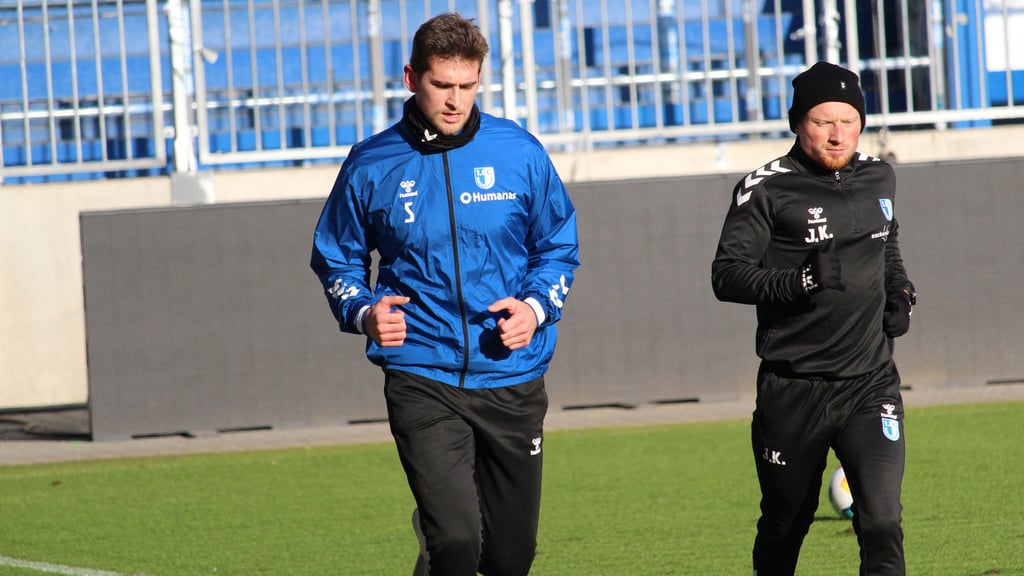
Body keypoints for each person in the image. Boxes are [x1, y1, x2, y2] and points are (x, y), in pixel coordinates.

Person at [310, 13, 579, 576]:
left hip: (511, 373)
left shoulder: (519, 151)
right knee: (456, 542)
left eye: (468, 85)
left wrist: (534, 309)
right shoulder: (371, 162)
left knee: (510, 557)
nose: (455, 101)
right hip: (421, 373)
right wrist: (363, 311)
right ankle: (439, 540)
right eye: (441, 85)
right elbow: (337, 258)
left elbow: (557, 248)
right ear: (412, 78)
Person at [711, 61, 916, 576]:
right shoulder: (764, 188)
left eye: (848, 121)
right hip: (793, 390)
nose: (837, 134)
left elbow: (886, 243)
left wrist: (900, 291)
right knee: (786, 523)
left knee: (882, 521)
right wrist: (799, 280)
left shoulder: (879, 176)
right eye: (823, 121)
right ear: (797, 123)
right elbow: (726, 276)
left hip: (870, 383)